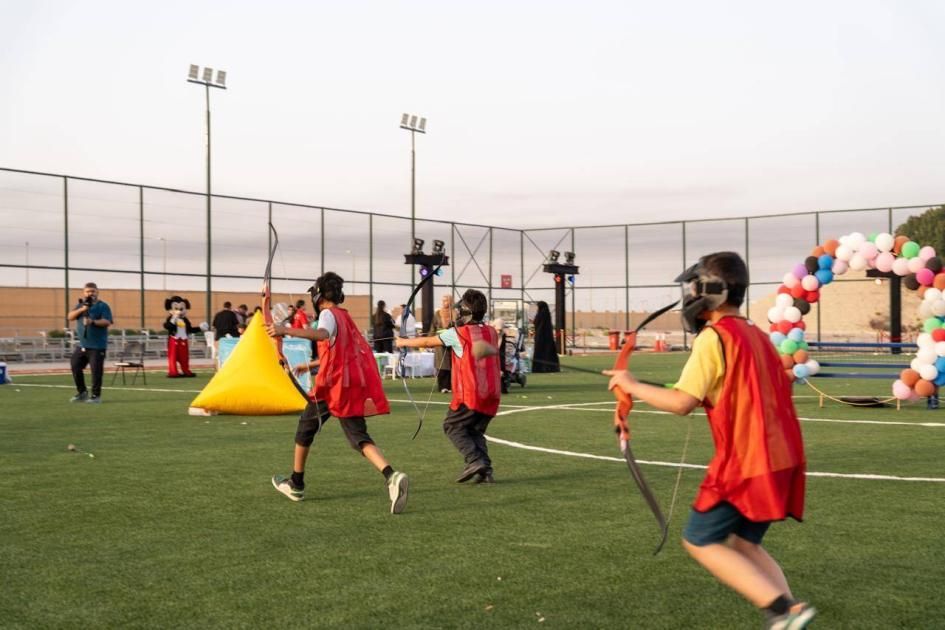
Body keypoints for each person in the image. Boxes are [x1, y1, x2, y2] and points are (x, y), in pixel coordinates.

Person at [603, 252, 813, 630]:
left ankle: (782, 609)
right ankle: (791, 613)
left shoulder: (715, 337)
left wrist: (630, 384)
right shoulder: (758, 335)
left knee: (700, 538)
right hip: (783, 457)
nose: (690, 295)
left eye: (694, 287)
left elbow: (682, 402)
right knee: (745, 545)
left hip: (748, 459)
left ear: (712, 292)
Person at [267, 272, 408, 514]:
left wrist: (284, 330)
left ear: (318, 295)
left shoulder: (328, 314)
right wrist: (311, 365)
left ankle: (296, 483)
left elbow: (322, 334)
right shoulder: (344, 316)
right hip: (348, 384)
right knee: (358, 436)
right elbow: (340, 352)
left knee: (305, 428)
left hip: (332, 386)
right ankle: (391, 476)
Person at [396, 289, 501, 484]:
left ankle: (475, 460)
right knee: (474, 431)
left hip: (470, 395)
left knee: (452, 426)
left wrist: (403, 342)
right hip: (491, 395)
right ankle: (485, 470)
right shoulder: (491, 332)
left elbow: (428, 341)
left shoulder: (458, 334)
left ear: (465, 313)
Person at [67, 282, 113, 403]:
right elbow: (70, 317)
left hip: (97, 346)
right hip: (83, 346)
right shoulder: (81, 305)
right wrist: (82, 309)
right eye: (87, 291)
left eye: (92, 291)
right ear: (84, 293)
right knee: (75, 366)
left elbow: (107, 321)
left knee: (96, 372)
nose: (90, 293)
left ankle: (96, 396)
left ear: (97, 292)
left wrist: (93, 322)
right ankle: (82, 392)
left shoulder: (103, 306)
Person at [531, 300, 559, 372]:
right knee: (548, 353)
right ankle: (549, 368)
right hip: (548, 337)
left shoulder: (540, 314)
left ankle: (539, 368)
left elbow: (536, 323)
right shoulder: (547, 314)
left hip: (540, 337)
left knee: (540, 353)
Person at [434, 294, 453, 393]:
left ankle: (450, 386)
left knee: (451, 364)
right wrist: (429, 339)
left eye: (446, 300)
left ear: (451, 301)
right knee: (441, 364)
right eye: (443, 300)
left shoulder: (455, 313)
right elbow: (433, 327)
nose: (444, 302)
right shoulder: (437, 313)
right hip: (439, 341)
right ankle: (442, 386)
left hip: (452, 342)